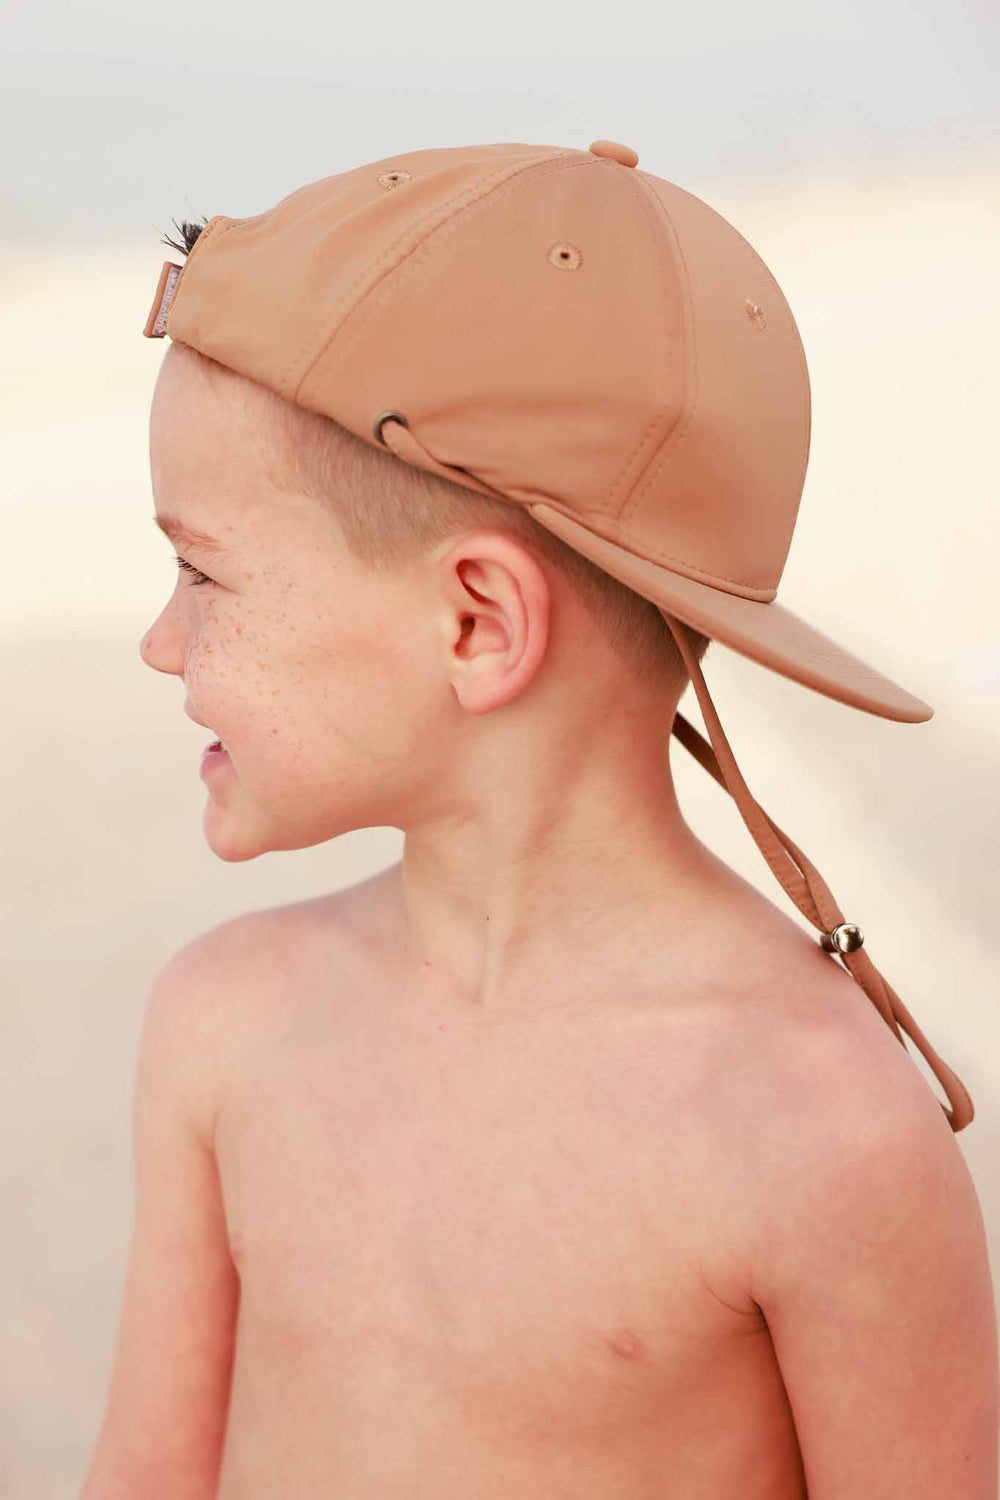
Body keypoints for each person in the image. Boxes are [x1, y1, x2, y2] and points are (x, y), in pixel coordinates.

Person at [81, 140, 998, 1498]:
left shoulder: (823, 1135)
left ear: (477, 623)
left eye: (202, 574)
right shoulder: (222, 1023)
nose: (162, 642)